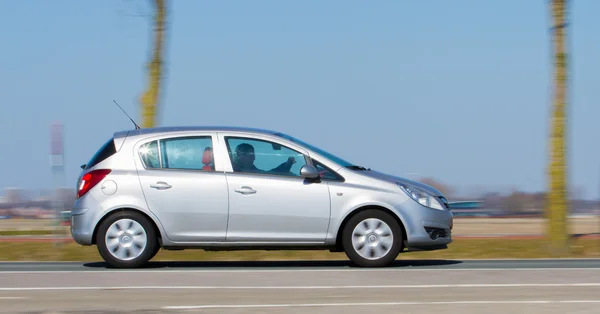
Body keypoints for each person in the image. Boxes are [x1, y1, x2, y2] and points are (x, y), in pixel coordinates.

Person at [232, 142, 296, 174]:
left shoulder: (252, 171)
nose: (253, 158)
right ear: (238, 154)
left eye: (253, 155)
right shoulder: (231, 171)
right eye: (250, 155)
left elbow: (270, 174)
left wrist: (287, 165)